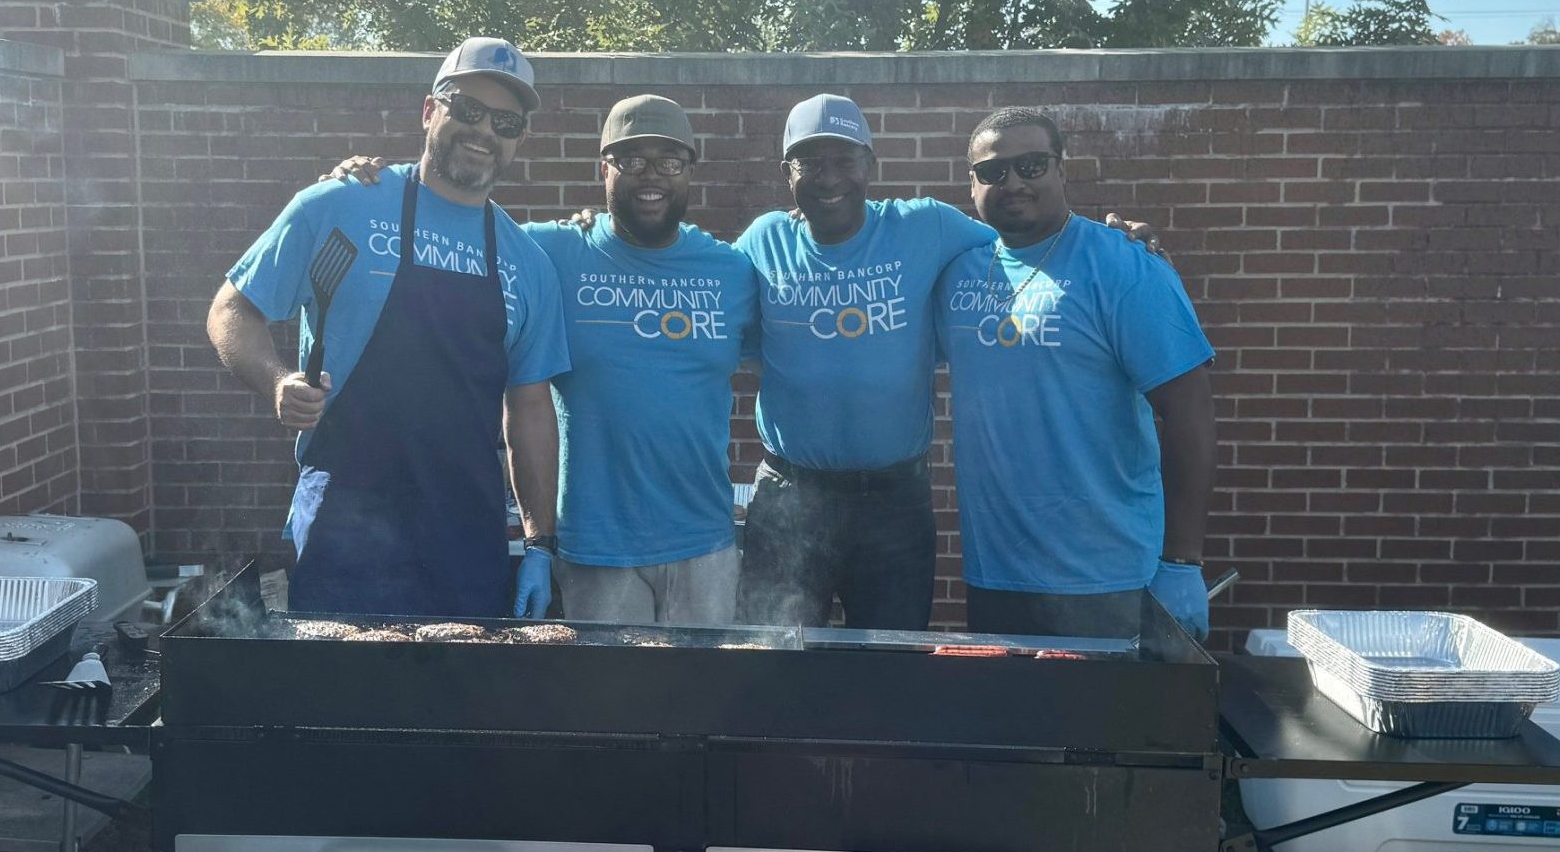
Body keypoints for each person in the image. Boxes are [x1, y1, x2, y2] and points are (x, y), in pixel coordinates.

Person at [321, 96, 759, 626]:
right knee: (610, 704)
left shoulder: (732, 270)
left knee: (705, 700)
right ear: (604, 169)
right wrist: (374, 183)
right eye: (631, 160)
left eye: (669, 162)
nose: (652, 176)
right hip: (595, 548)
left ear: (690, 171)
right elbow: (454, 213)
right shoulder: (547, 251)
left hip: (704, 543)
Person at [207, 36, 569, 620]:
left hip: (464, 530)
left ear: (519, 140)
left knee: (458, 704)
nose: (483, 132)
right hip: (344, 520)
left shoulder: (527, 262)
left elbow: (529, 408)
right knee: (339, 697)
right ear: (430, 110)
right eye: (467, 110)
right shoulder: (338, 207)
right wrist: (276, 381)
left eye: (505, 122)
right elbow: (232, 309)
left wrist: (538, 544)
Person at [935, 107, 1217, 639]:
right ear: (971, 184)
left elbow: (1190, 413)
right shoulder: (959, 268)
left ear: (1062, 169)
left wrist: (1182, 562)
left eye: (1032, 165)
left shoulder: (1124, 264)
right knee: (1006, 721)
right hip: (996, 573)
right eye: (994, 171)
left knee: (1106, 724)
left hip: (1106, 576)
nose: (1014, 181)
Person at [731, 94, 1001, 631]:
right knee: (771, 665)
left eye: (844, 160)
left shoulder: (925, 226)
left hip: (893, 503)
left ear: (869, 165)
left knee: (889, 668)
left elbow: (1025, 248)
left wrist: (1120, 241)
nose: (829, 177)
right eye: (811, 162)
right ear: (788, 173)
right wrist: (601, 234)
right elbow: (696, 284)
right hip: (789, 496)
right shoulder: (765, 240)